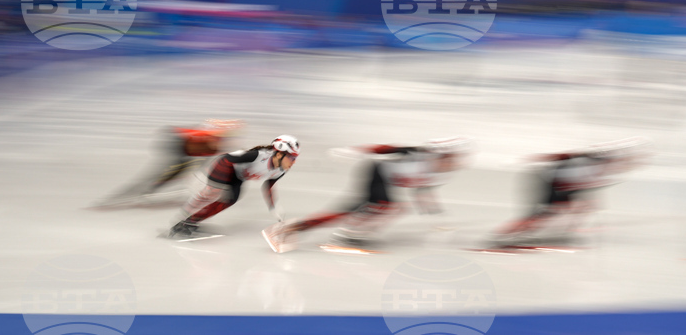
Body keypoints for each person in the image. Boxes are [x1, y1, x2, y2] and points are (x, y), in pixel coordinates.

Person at [264, 137, 470, 252]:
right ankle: (350, 235)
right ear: (443, 154)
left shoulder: (441, 172)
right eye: (451, 158)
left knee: (351, 210)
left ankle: (291, 229)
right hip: (378, 172)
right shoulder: (421, 154)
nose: (452, 163)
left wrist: (437, 217)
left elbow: (423, 191)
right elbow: (388, 148)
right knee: (387, 207)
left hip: (386, 180)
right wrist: (355, 150)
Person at [491, 136, 650, 248]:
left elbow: (591, 182)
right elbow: (573, 155)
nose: (638, 163)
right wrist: (535, 158)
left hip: (567, 183)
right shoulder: (612, 156)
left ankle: (565, 233)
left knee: (582, 207)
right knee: (541, 215)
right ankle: (501, 236)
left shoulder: (618, 169)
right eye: (638, 159)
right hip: (552, 179)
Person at [168, 134, 300, 239]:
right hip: (225, 166)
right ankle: (182, 221)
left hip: (238, 176)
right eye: (291, 158)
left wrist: (273, 207)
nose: (293, 162)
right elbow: (227, 157)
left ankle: (191, 221)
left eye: (295, 158)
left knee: (230, 200)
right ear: (279, 153)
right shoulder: (259, 156)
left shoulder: (281, 170)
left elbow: (269, 186)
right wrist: (204, 175)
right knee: (212, 193)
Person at [96, 119, 243, 208]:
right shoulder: (209, 139)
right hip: (175, 145)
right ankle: (122, 196)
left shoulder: (214, 143)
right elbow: (181, 135)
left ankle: (148, 191)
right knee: (158, 174)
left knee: (172, 174)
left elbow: (202, 164)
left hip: (181, 149)